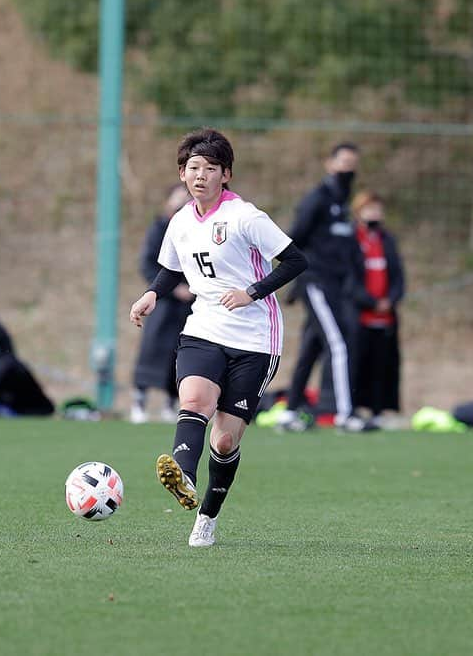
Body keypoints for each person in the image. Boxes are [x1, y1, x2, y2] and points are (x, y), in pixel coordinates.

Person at [129, 128, 307, 547]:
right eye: (193, 168)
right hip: (204, 328)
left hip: (256, 339)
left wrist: (252, 292)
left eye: (210, 169)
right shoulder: (180, 222)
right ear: (182, 173)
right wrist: (151, 293)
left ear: (225, 174)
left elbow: (296, 260)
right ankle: (184, 476)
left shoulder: (246, 217)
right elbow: (171, 268)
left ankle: (207, 516)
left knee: (224, 440)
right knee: (193, 400)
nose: (200, 176)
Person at [277, 142, 366, 432]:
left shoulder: (343, 203)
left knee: (311, 348)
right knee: (338, 343)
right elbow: (293, 239)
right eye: (343, 163)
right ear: (330, 164)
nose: (348, 170)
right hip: (317, 282)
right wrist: (299, 276)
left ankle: (289, 412)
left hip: (336, 286)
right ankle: (345, 414)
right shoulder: (317, 198)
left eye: (353, 164)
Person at [130, 184, 194, 423]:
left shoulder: (195, 228)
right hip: (163, 301)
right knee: (152, 349)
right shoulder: (159, 228)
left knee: (181, 353)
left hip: (190, 304)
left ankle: (171, 403)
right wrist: (171, 289)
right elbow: (148, 264)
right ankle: (139, 401)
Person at [345, 191, 405, 424]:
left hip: (386, 315)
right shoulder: (351, 238)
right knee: (358, 362)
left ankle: (379, 410)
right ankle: (353, 409)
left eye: (378, 210)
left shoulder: (387, 239)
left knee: (383, 364)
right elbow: (349, 277)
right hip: (360, 315)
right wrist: (370, 301)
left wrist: (390, 300)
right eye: (370, 209)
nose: (375, 214)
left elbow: (398, 276)